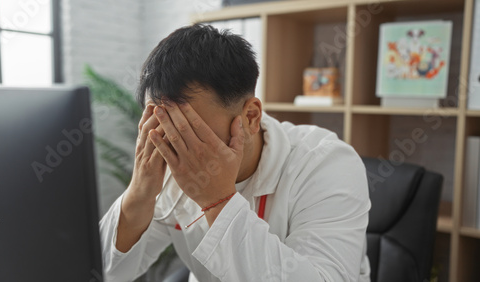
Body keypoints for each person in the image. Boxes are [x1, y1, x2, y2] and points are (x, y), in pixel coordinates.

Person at [99, 24, 371, 282]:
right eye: (164, 127)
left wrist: (218, 201)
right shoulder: (168, 164)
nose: (177, 144)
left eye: (192, 130)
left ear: (251, 117)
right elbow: (105, 272)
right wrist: (139, 193)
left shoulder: (326, 163)